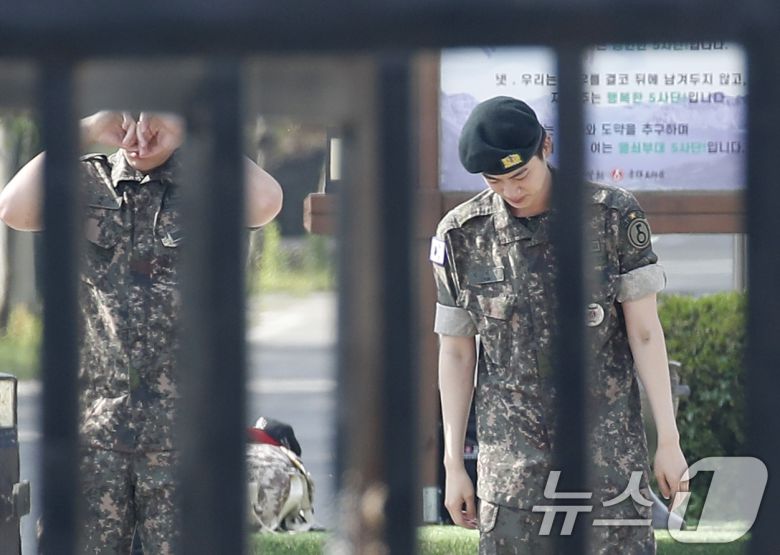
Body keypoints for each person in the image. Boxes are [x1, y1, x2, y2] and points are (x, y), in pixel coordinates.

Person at [0, 111, 283, 553]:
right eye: (130, 118)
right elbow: (12, 209)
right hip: (94, 433)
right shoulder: (85, 180)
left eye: (151, 120)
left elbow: (266, 201)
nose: (141, 135)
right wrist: (89, 127)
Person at [431, 96, 688, 553]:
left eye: (520, 175)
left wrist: (668, 439)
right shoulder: (461, 236)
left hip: (606, 463)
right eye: (495, 181)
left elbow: (645, 333)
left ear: (545, 147)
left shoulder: (611, 216)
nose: (511, 190)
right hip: (511, 472)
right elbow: (456, 352)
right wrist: (453, 465)